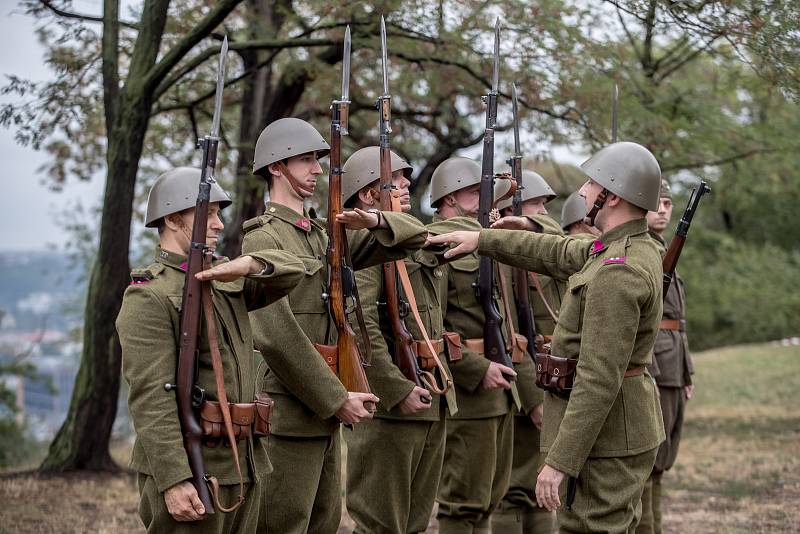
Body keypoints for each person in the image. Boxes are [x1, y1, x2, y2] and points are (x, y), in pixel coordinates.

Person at [428, 142, 666, 534]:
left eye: (592, 184)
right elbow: (555, 251)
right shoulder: (629, 249)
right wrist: (482, 240)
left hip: (605, 440)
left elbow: (598, 378)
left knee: (591, 527)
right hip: (620, 429)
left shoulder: (618, 273)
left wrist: (560, 462)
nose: (585, 192)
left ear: (613, 196)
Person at [241, 118, 428, 534]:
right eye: (306, 160)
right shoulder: (263, 239)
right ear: (276, 167)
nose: (317, 170)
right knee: (282, 526)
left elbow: (414, 237)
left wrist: (378, 221)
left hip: (324, 416)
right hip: (289, 415)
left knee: (322, 526)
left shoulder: (325, 237)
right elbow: (275, 335)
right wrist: (335, 397)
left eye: (318, 160)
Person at [117, 167, 305, 533]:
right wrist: (173, 479)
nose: (220, 224)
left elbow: (295, 271)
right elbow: (150, 398)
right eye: (210, 214)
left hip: (242, 465)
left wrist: (251, 263)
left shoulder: (225, 280)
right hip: (194, 468)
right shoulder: (148, 295)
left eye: (220, 214)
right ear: (172, 219)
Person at [341, 146, 457, 534]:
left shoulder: (411, 240)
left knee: (415, 523)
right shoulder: (366, 246)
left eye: (406, 178)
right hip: (392, 409)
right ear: (367, 194)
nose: (407, 185)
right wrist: (395, 388)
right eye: (395, 180)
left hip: (429, 397)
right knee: (380, 523)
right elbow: (362, 328)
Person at [428, 156, 534, 534]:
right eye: (476, 191)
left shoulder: (487, 242)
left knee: (490, 499)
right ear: (449, 196)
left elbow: (509, 321)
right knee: (462, 504)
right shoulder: (434, 245)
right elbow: (429, 327)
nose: (486, 199)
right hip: (469, 391)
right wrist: (475, 369)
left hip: (503, 391)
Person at [491, 170, 561, 534]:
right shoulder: (501, 258)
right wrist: (533, 397)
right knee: (513, 489)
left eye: (545, 205)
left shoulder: (541, 253)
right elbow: (508, 333)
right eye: (534, 204)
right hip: (521, 383)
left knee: (540, 489)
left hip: (548, 377)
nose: (543, 213)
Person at [636, 179, 695, 534]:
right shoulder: (646, 253)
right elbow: (647, 323)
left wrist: (686, 372)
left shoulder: (664, 251)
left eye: (668, 204)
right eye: (655, 203)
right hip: (657, 363)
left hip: (673, 363)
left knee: (663, 460)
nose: (662, 210)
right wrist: (651, 373)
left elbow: (676, 323)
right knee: (650, 459)